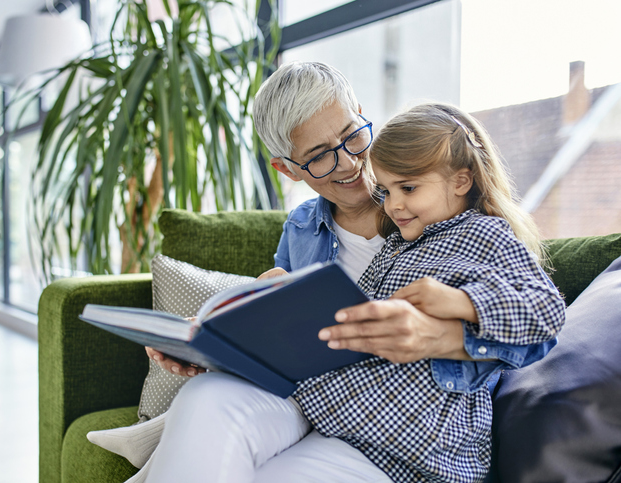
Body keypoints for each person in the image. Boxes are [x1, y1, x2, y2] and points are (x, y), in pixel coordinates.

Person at [137, 73, 565, 481]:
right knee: (203, 398)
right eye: (320, 155)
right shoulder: (312, 229)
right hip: (325, 407)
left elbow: (539, 316)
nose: (349, 162)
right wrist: (220, 347)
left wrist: (453, 317)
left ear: (361, 114)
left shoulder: (461, 225)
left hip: (406, 436)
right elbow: (315, 337)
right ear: (288, 170)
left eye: (352, 135)